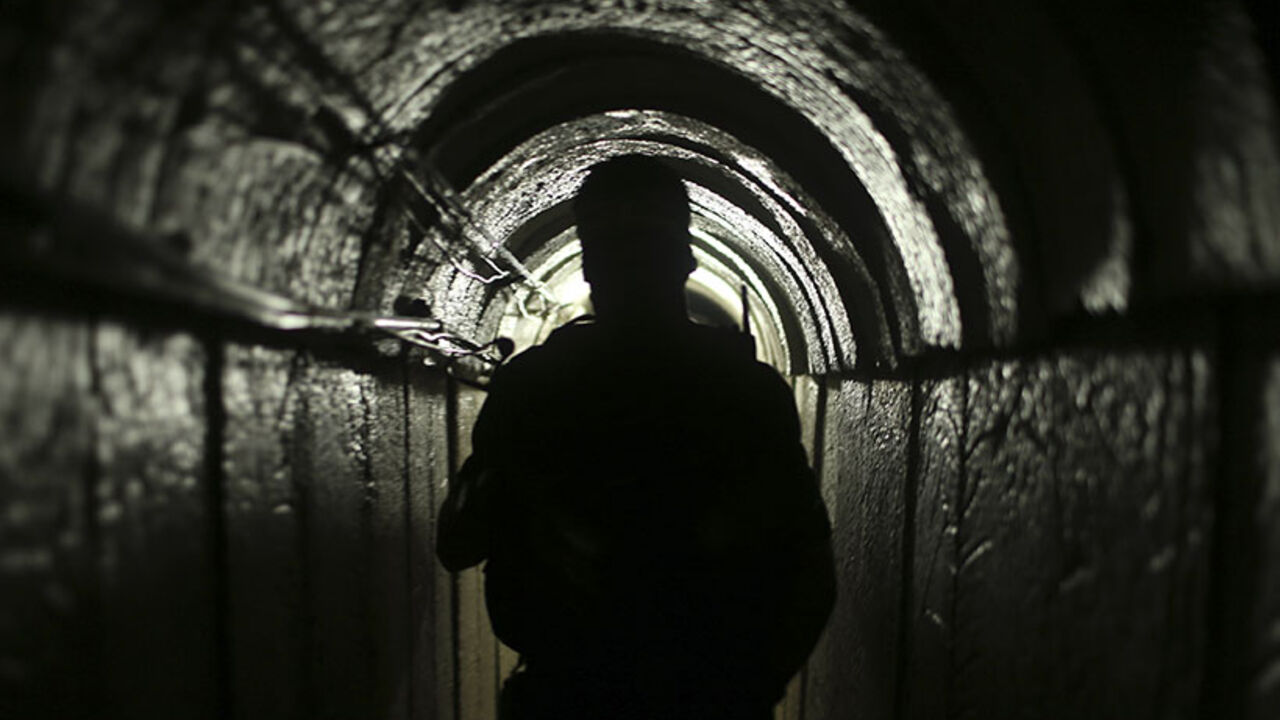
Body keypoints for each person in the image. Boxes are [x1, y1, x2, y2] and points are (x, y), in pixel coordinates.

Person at [437, 155, 835, 720]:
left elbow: (457, 541)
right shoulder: (745, 389)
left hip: (565, 698)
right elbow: (809, 573)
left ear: (588, 268)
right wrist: (749, 691)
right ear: (686, 262)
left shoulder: (535, 385)